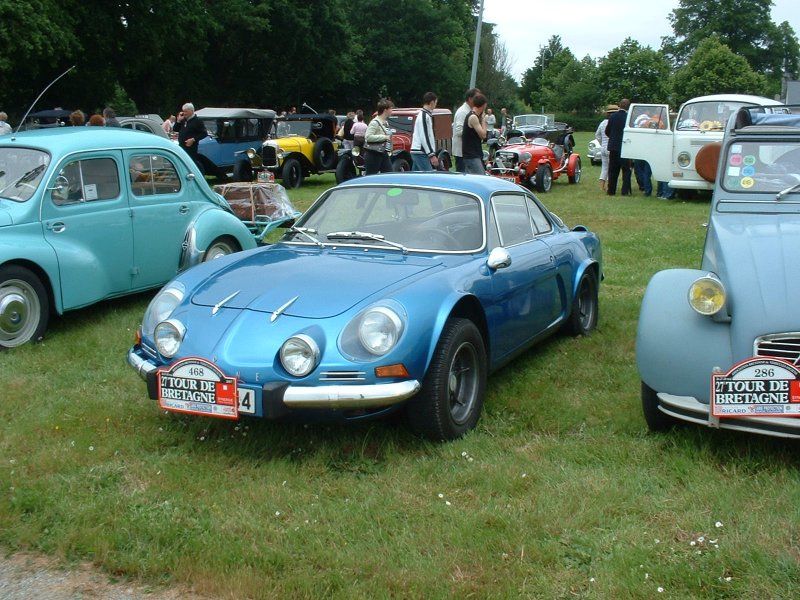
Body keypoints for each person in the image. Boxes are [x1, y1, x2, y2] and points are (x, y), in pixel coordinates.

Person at [605, 99, 631, 196]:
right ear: (628, 107)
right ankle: (625, 191)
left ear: (619, 105)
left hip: (613, 146)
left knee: (612, 170)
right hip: (625, 147)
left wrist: (612, 138)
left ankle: (611, 190)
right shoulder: (628, 117)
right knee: (626, 170)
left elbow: (607, 131)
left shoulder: (613, 116)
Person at [452, 88, 481, 172]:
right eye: (476, 98)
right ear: (470, 99)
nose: (478, 100)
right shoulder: (463, 112)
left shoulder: (469, 111)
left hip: (467, 152)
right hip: (462, 152)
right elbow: (458, 131)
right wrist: (474, 132)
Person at [411, 92, 440, 171]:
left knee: (415, 178)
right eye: (436, 103)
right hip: (420, 152)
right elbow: (424, 136)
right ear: (432, 102)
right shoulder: (424, 116)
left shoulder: (424, 115)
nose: (435, 105)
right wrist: (431, 154)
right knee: (428, 177)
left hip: (418, 151)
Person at [364, 98, 394, 175]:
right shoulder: (374, 122)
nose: (392, 111)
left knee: (389, 175)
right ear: (385, 110)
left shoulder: (386, 122)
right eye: (391, 109)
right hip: (373, 154)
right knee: (371, 177)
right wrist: (384, 137)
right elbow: (368, 137)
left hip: (383, 153)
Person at [462, 93, 488, 175]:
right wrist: (483, 119)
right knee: (481, 178)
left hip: (473, 154)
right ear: (483, 105)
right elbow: (483, 135)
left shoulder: (472, 116)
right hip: (472, 155)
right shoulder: (473, 117)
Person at [595, 105, 615, 191]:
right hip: (611, 148)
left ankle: (601, 186)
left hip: (603, 148)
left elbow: (597, 135)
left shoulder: (603, 123)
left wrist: (601, 143)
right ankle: (608, 186)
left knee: (604, 168)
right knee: (611, 168)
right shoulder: (613, 122)